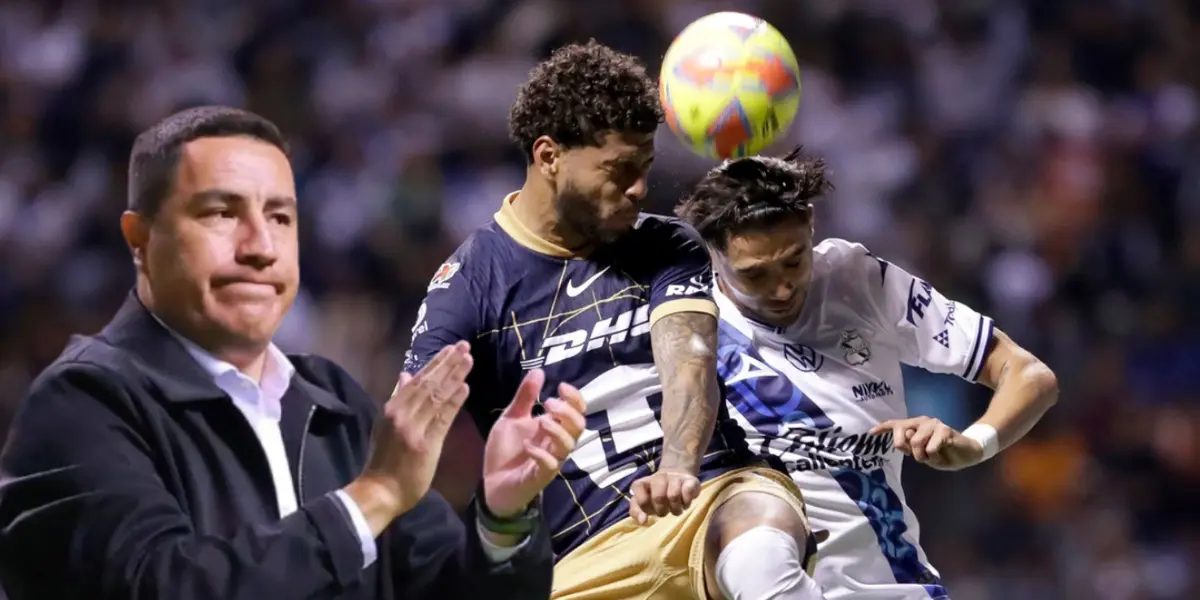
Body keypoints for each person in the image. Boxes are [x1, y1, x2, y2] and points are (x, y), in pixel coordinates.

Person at [0, 106, 588, 600]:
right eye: (221, 213)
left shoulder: (331, 404)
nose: (260, 247)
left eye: (280, 217)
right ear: (139, 240)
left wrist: (503, 517)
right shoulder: (79, 405)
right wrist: (373, 497)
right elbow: (167, 586)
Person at [404, 42, 825, 600]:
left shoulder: (663, 244)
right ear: (549, 156)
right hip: (577, 559)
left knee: (760, 558)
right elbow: (408, 438)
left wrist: (678, 468)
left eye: (645, 167)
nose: (639, 189)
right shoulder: (469, 284)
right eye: (619, 170)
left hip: (711, 497)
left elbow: (689, 365)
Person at [674, 147, 1061, 599]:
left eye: (795, 261)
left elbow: (1029, 374)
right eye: (755, 275)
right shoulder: (684, 328)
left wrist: (973, 444)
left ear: (811, 224)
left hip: (894, 586)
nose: (781, 288)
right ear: (713, 256)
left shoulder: (858, 281)